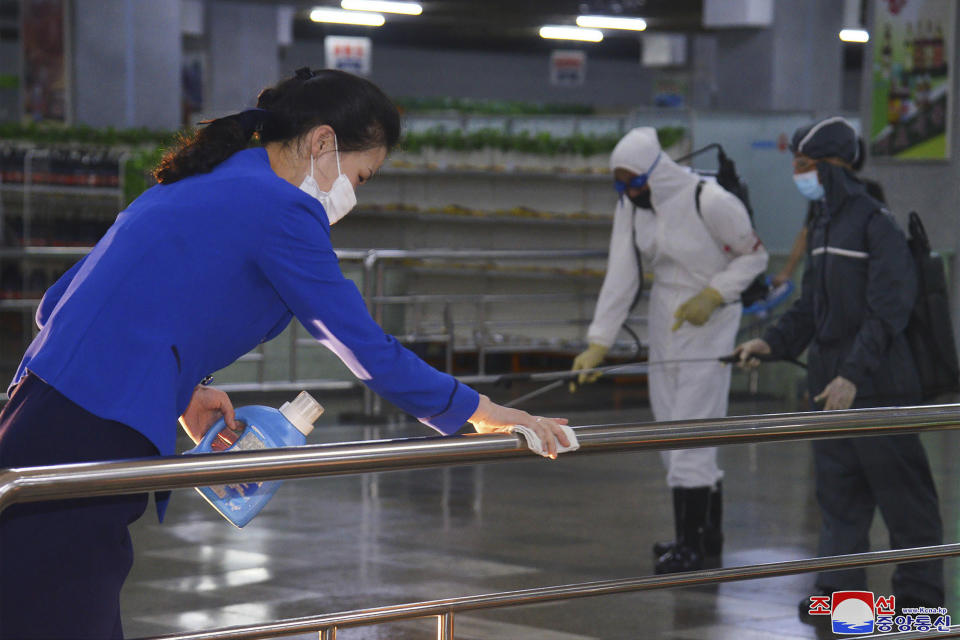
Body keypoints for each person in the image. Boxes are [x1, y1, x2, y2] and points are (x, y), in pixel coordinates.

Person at [0, 68, 571, 640]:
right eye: (362, 176)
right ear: (323, 143)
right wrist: (482, 411)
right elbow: (364, 347)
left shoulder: (201, 179)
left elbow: (57, 303)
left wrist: (181, 387)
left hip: (36, 412)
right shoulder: (283, 210)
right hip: (93, 431)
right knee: (64, 610)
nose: (354, 193)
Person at [736, 116, 944, 621]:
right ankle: (843, 597)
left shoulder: (876, 224)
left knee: (904, 499)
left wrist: (853, 373)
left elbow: (888, 310)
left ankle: (919, 603)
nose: (798, 174)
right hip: (829, 390)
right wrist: (772, 341)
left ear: (833, 167)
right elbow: (813, 306)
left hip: (877, 386)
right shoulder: (826, 224)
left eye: (805, 165)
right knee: (839, 498)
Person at [570, 127, 768, 574]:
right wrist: (599, 341)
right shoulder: (633, 205)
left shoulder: (711, 200)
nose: (627, 192)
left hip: (710, 323)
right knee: (668, 425)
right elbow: (621, 269)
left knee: (692, 428)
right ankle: (704, 534)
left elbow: (754, 257)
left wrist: (714, 294)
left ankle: (690, 545)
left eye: (632, 182)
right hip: (665, 318)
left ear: (654, 171)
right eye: (618, 184)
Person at [772, 138, 886, 287]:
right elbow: (807, 232)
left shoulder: (869, 191)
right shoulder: (823, 193)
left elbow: (883, 234)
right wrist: (787, 271)